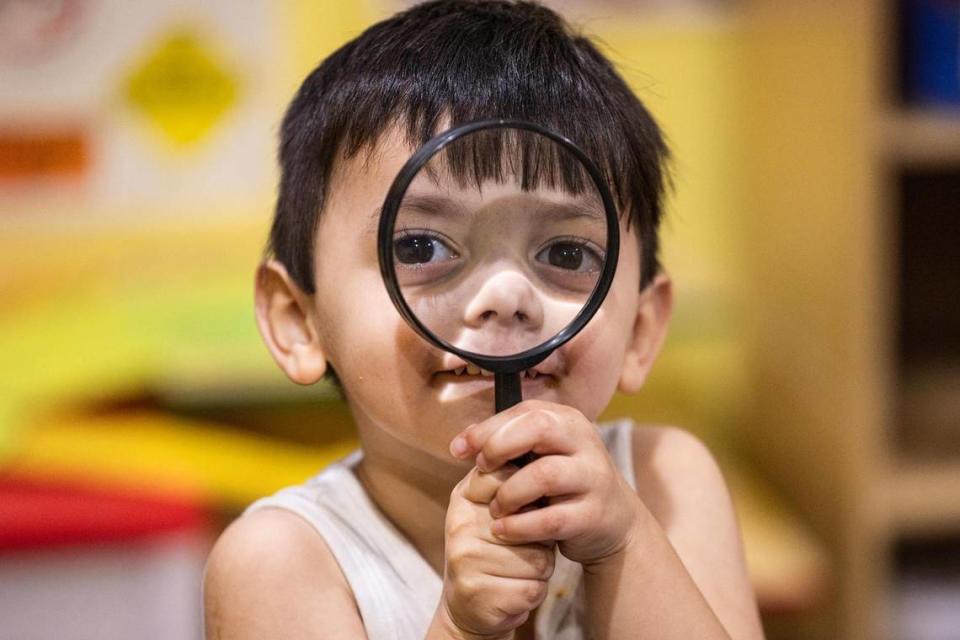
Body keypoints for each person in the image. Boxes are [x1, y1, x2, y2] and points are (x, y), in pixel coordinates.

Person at [202, 1, 764, 639]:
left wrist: (622, 546)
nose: (506, 295)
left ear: (639, 330)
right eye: (420, 247)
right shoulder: (280, 561)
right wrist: (460, 628)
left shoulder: (666, 482)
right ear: (298, 321)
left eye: (566, 253)